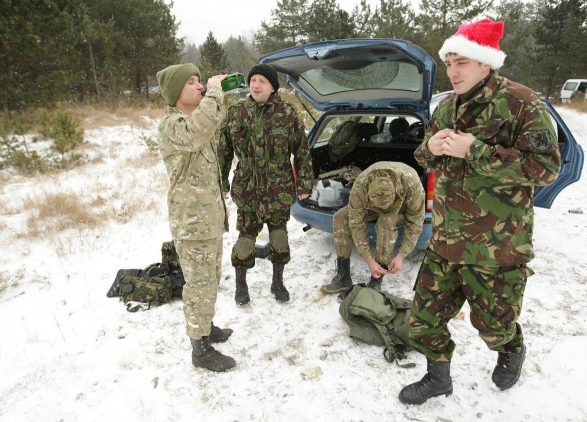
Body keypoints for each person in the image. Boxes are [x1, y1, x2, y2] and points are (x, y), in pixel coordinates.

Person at [398, 19, 561, 404]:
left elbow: (546, 168)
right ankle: (438, 378)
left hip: (495, 247)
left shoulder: (521, 103)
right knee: (422, 322)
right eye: (450, 61)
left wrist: (476, 150)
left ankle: (511, 349)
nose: (453, 71)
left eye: (463, 62)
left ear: (486, 64)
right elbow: (424, 155)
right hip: (444, 242)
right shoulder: (446, 107)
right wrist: (430, 149)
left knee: (494, 327)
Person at [156, 63, 235, 372]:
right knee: (198, 284)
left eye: (200, 81)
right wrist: (215, 90)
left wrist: (221, 93)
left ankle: (206, 326)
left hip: (208, 219)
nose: (199, 86)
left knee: (210, 280)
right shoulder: (172, 125)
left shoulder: (195, 119)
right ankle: (199, 349)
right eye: (191, 82)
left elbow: (213, 123)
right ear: (176, 92)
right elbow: (199, 129)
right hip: (191, 223)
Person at [218, 64, 314, 305]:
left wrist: (304, 184)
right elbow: (224, 151)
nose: (256, 84)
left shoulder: (287, 113)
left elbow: (302, 152)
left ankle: (277, 282)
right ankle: (241, 285)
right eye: (253, 80)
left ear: (272, 87)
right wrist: (222, 183)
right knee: (244, 242)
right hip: (247, 189)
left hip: (278, 190)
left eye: (262, 80)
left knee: (279, 239)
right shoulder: (236, 112)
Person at [320, 161, 425, 294]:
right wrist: (368, 259)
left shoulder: (411, 184)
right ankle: (343, 277)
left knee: (386, 221)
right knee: (341, 217)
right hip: (371, 204)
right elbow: (356, 223)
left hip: (400, 208)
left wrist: (401, 256)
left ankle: (377, 279)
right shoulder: (360, 186)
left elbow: (415, 223)